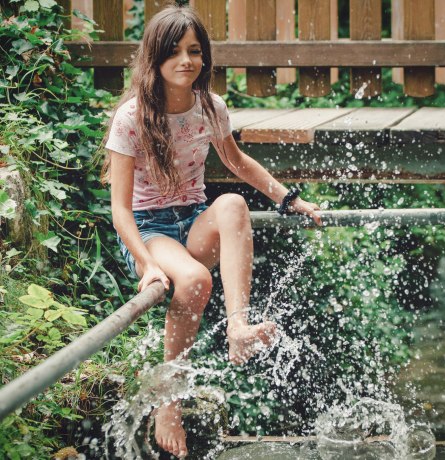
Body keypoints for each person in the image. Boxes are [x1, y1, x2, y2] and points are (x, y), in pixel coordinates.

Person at [102, 4, 321, 458]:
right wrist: (145, 265)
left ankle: (238, 326)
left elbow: (237, 164)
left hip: (193, 220)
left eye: (195, 51)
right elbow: (120, 211)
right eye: (175, 52)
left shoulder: (210, 106)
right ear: (155, 58)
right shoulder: (132, 117)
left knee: (234, 203)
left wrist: (287, 199)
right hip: (149, 230)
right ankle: (169, 402)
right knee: (196, 280)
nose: (186, 60)